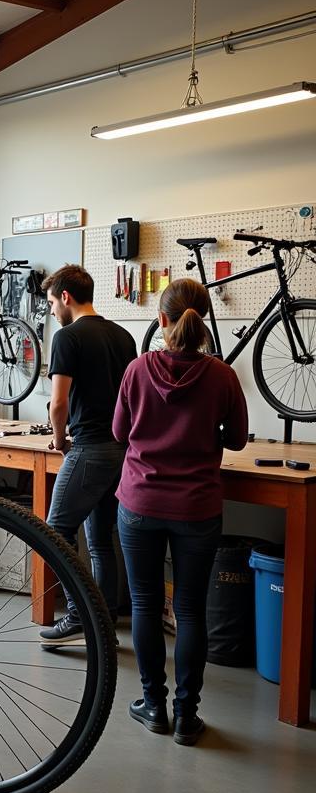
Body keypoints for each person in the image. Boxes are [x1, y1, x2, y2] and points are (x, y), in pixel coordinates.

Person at [114, 279, 247, 745]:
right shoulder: (222, 375)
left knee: (145, 607)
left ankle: (153, 706)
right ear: (204, 320)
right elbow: (237, 440)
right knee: (190, 611)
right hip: (198, 508)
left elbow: (118, 431)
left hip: (139, 505)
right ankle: (186, 717)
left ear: (162, 320)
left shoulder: (137, 369)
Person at [38, 264, 137, 648]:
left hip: (90, 448)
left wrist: (59, 439)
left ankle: (79, 614)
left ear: (66, 297)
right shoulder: (124, 336)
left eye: (50, 302)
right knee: (99, 541)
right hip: (121, 450)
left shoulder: (67, 337)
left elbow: (58, 403)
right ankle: (104, 624)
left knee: (54, 530)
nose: (50, 311)